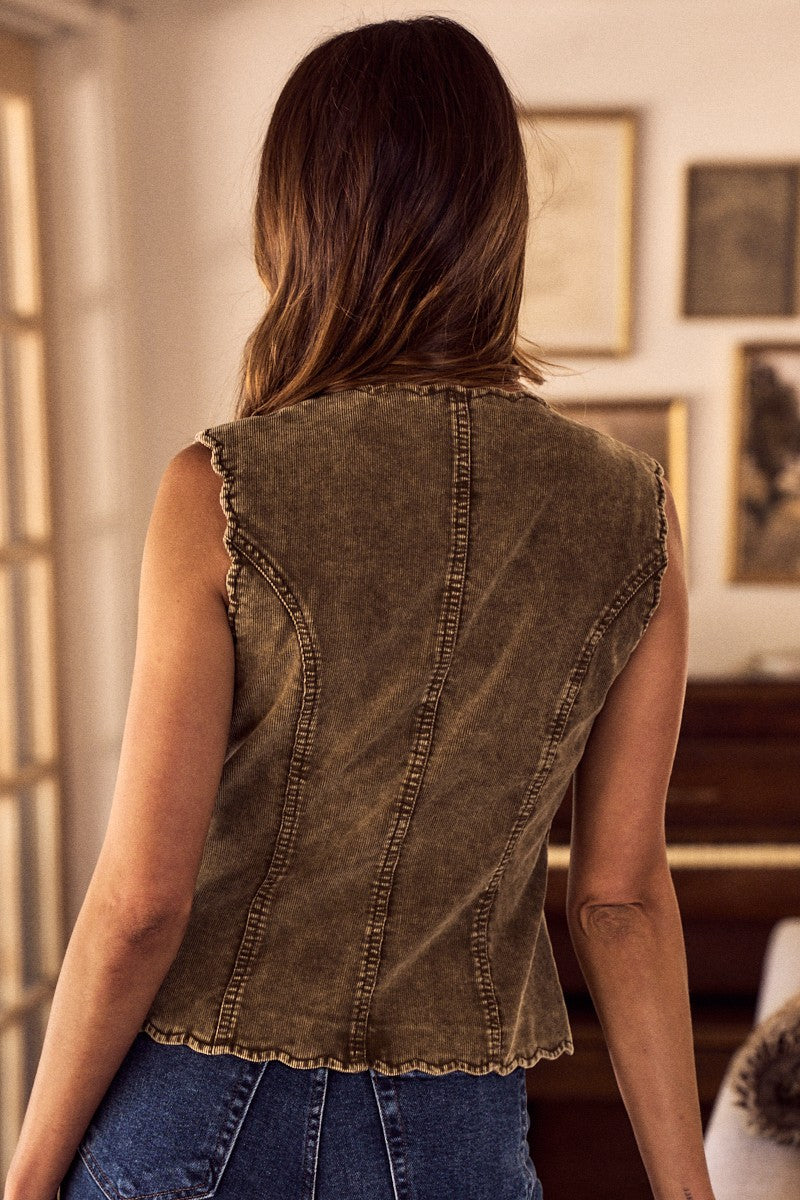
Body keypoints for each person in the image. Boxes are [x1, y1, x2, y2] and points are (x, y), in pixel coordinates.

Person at [3, 14, 713, 1200]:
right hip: (453, 1136)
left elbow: (140, 905)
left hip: (194, 1116)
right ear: (499, 219)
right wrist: (688, 1191)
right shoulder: (631, 510)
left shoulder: (221, 488)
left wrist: (27, 1176)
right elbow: (619, 897)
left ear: (293, 221)